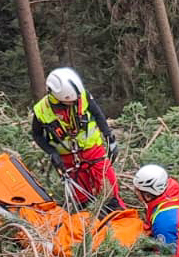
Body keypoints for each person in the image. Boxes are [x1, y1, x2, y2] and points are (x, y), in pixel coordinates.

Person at [29, 66, 124, 208]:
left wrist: (109, 138)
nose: (74, 102)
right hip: (67, 160)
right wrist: (52, 153)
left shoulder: (82, 96)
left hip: (93, 152)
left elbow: (98, 115)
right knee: (82, 201)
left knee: (109, 192)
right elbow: (37, 134)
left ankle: (118, 214)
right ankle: (89, 219)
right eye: (70, 101)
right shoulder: (41, 110)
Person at [132, 164, 179, 257]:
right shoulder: (169, 193)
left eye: (137, 191)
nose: (135, 193)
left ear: (147, 195)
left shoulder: (164, 222)